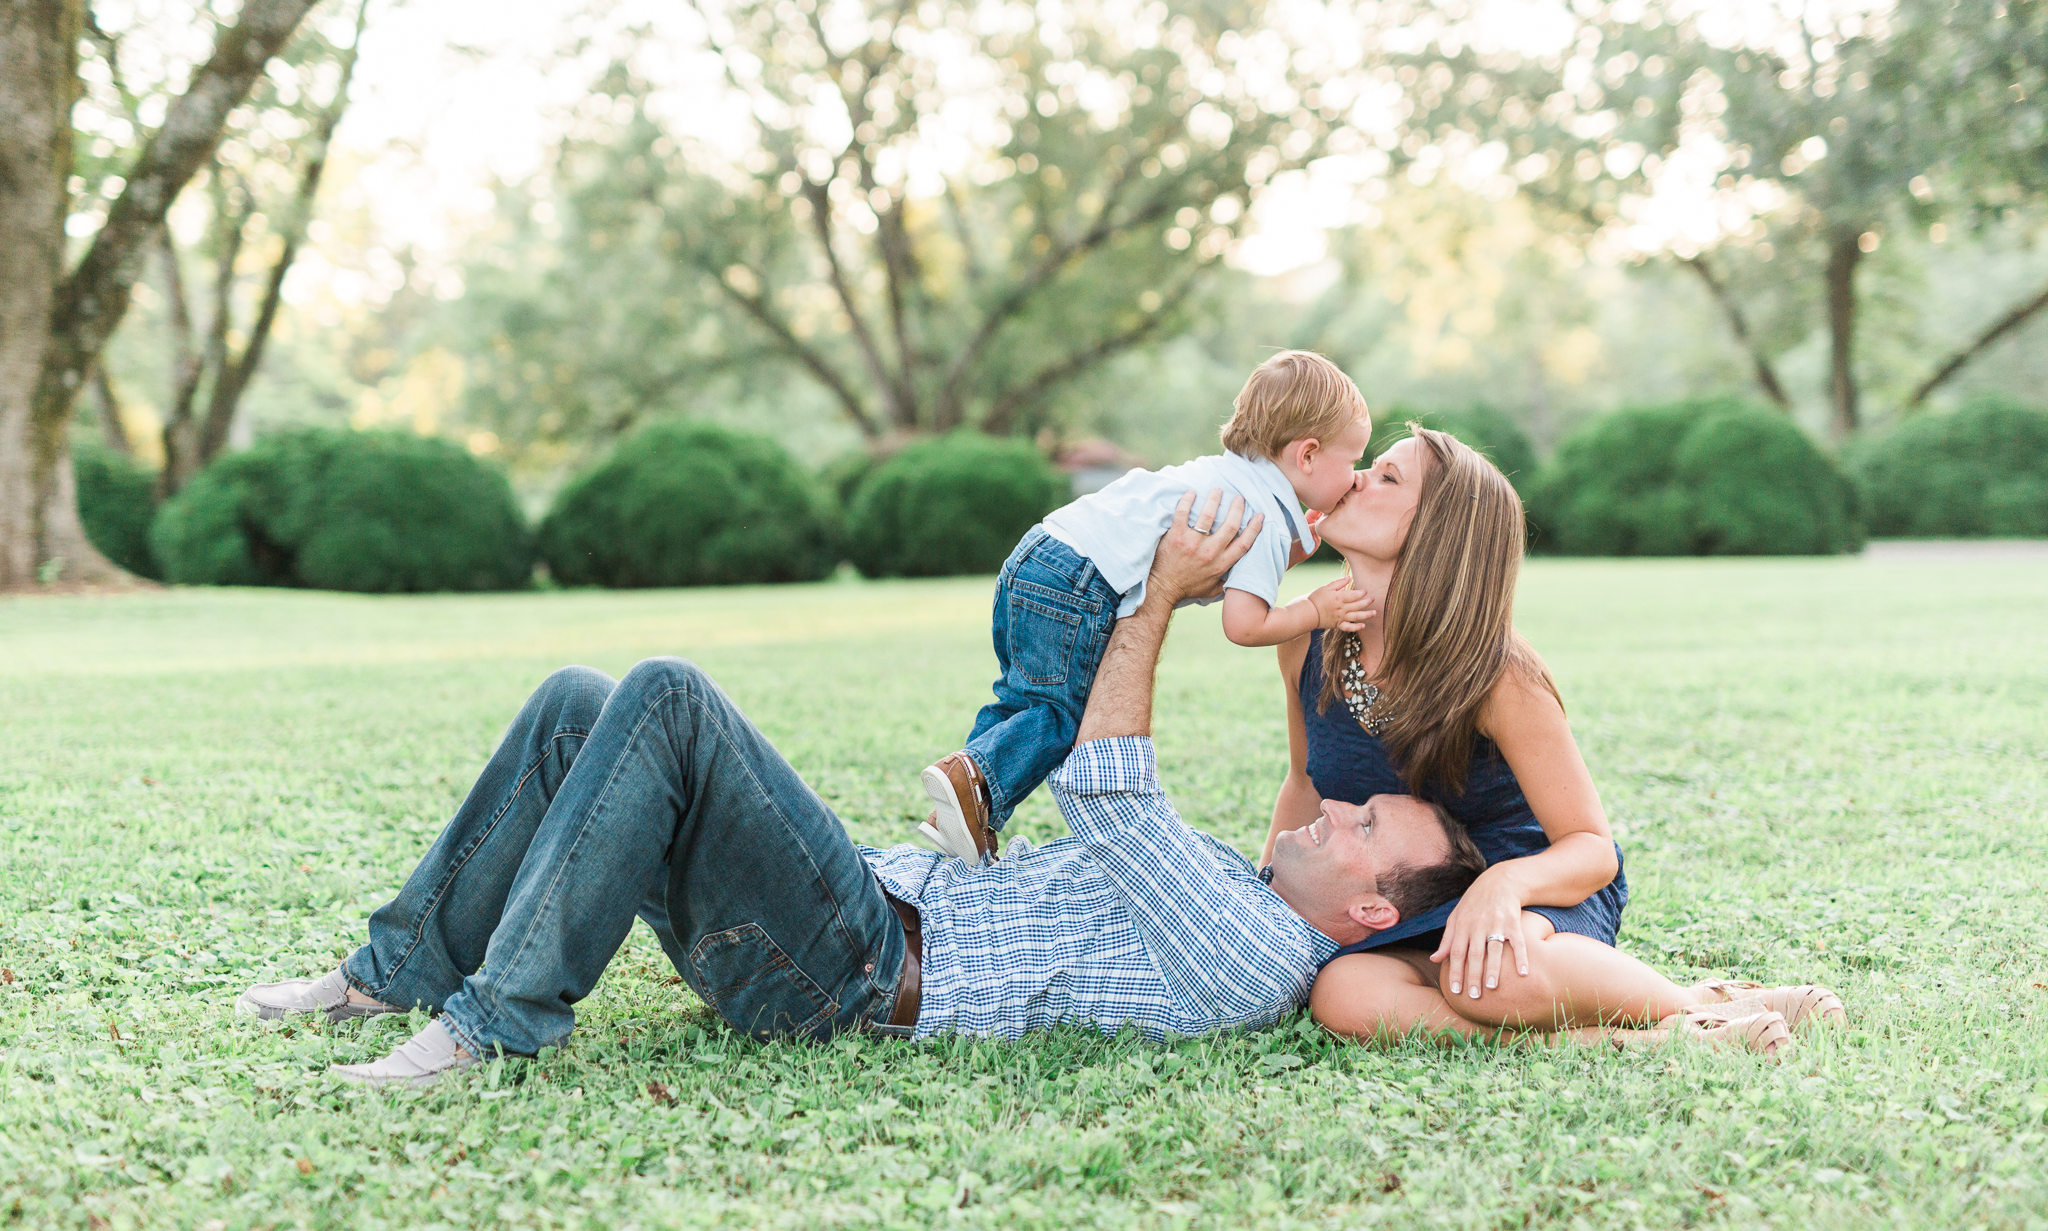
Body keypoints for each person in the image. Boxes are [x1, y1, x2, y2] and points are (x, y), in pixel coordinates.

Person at [237, 491, 1487, 1087]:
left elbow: (1106, 794)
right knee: (580, 698)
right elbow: (1238, 767)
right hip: (845, 908)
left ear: (1368, 912)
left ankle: (491, 1025)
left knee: (667, 690)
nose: (1336, 807)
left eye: (1365, 828)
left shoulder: (1254, 952)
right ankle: (388, 975)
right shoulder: (1240, 878)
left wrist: (1156, 596)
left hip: (844, 973)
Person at [1266, 425, 1847, 1056]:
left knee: (1484, 984)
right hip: (1406, 904)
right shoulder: (1306, 637)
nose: (1354, 478)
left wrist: (1504, 885)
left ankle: (1702, 1006)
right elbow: (1304, 784)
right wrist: (1262, 903)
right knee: (1342, 992)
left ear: (1436, 532)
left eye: (1387, 477)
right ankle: (1601, 1044)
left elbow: (1592, 848)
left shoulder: (1497, 673)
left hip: (1537, 892)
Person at [917, 350, 1375, 865]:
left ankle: (960, 814)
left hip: (1039, 555)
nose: (1357, 476)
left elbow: (1236, 571)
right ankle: (970, 784)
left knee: (1020, 701)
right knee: (1061, 717)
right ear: (1308, 455)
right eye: (1353, 460)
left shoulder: (1231, 479)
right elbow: (1245, 624)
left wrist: (1293, 545)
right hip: (1082, 582)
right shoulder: (1264, 515)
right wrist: (1316, 609)